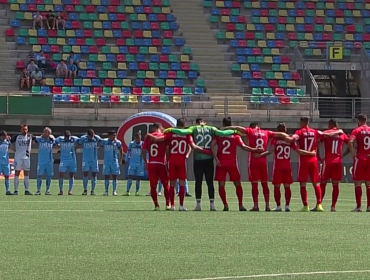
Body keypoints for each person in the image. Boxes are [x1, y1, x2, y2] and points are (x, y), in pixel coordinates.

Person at [147, 118, 208, 211]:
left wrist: (167, 160)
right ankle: (181, 206)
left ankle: (172, 206)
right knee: (182, 184)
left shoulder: (170, 134)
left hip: (172, 161)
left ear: (176, 124)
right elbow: (193, 146)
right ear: (184, 126)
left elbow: (163, 145)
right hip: (181, 161)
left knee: (171, 184)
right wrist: (205, 151)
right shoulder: (187, 135)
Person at [225, 122, 287, 211]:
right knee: (265, 184)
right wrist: (287, 136)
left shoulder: (250, 131)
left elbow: (239, 128)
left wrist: (227, 127)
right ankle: (267, 206)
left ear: (251, 127)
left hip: (253, 160)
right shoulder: (266, 132)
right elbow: (279, 134)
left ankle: (256, 206)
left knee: (254, 184)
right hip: (263, 161)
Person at [211, 117, 258, 211]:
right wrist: (254, 150)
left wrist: (216, 159)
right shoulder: (235, 135)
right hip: (232, 163)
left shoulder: (218, 134)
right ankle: (240, 205)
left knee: (221, 185)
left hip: (221, 162)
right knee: (237, 184)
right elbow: (243, 147)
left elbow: (212, 145)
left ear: (223, 124)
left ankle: (225, 205)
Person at [270, 123, 316, 212]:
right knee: (287, 187)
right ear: (285, 131)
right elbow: (298, 151)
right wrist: (310, 153)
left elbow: (271, 150)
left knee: (277, 187)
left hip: (278, 166)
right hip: (287, 166)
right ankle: (287, 206)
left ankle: (278, 206)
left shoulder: (274, 140)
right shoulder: (290, 141)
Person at [319, 119, 348, 212]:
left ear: (329, 125)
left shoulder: (325, 133)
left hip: (327, 161)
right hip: (338, 161)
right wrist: (343, 154)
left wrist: (318, 156)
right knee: (335, 185)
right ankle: (333, 206)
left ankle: (319, 204)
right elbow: (351, 144)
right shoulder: (342, 134)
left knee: (322, 184)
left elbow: (316, 143)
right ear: (336, 125)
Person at [142, 123, 170, 210]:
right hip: (161, 163)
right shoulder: (164, 136)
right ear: (159, 128)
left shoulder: (148, 137)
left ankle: (156, 205)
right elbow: (168, 150)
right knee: (165, 184)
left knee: (153, 186)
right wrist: (167, 161)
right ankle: (167, 204)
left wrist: (146, 161)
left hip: (152, 164)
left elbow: (143, 151)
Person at [191, 118, 215, 211]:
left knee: (198, 182)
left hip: (198, 159)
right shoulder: (211, 129)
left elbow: (182, 131)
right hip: (208, 159)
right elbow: (222, 133)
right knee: (210, 183)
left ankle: (198, 204)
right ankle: (212, 205)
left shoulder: (193, 129)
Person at [348, 113, 370, 212]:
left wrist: (353, 154)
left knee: (358, 183)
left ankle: (359, 207)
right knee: (368, 184)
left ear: (358, 121)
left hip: (360, 158)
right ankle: (369, 207)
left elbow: (350, 141)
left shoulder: (357, 130)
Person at [55, 130, 79, 195]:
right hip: (63, 159)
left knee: (71, 175)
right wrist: (57, 144)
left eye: (68, 136)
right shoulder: (60, 139)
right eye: (66, 137)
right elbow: (54, 141)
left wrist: (76, 146)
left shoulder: (74, 139)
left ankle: (70, 190)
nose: (67, 138)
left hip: (72, 159)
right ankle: (61, 190)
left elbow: (80, 141)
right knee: (61, 174)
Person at [11, 125, 33, 195]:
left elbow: (41, 137)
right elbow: (9, 142)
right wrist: (13, 149)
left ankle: (26, 190)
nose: (25, 131)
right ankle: (16, 190)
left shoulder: (30, 136)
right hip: (18, 158)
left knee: (26, 174)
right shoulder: (17, 137)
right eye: (23, 129)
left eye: (26, 129)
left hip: (26, 158)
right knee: (17, 174)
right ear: (20, 130)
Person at [78, 129, 101, 195]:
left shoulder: (96, 138)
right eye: (90, 136)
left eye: (92, 135)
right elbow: (79, 143)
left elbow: (102, 142)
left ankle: (92, 190)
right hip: (86, 159)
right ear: (87, 135)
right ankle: (85, 190)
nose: (92, 137)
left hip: (94, 159)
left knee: (94, 174)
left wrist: (98, 147)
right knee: (85, 173)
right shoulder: (83, 138)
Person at [100, 130, 123, 196]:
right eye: (113, 135)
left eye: (115, 135)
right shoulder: (104, 141)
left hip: (114, 161)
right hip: (107, 161)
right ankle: (106, 191)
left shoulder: (118, 142)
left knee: (114, 176)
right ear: (109, 136)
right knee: (106, 176)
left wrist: (120, 159)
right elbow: (100, 147)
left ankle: (114, 191)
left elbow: (121, 149)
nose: (115, 136)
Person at [35, 127, 54, 195]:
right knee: (39, 175)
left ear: (49, 133)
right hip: (41, 161)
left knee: (49, 176)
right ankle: (38, 190)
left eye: (46, 132)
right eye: (44, 132)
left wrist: (50, 137)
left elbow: (55, 141)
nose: (45, 133)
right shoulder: (40, 139)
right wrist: (41, 135)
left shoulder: (52, 139)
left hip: (49, 161)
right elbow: (35, 139)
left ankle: (47, 190)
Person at [0, 131, 12, 195]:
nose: (4, 136)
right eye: (3, 135)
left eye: (5, 135)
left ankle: (7, 190)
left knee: (7, 176)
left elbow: (10, 145)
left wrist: (9, 138)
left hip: (6, 162)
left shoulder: (7, 142)